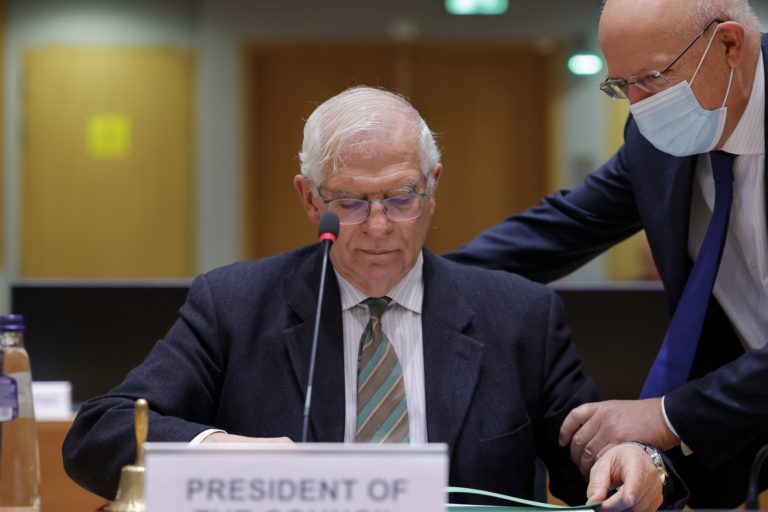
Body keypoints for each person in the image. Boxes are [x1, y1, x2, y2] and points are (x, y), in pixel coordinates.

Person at [63, 86, 682, 510]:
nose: (380, 226)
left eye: (401, 197)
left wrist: (637, 464)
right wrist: (220, 451)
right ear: (309, 199)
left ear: (433, 187)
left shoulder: (518, 315)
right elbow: (99, 434)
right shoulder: (235, 306)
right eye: (350, 202)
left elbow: (597, 466)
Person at [445, 0, 767, 508]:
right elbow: (564, 226)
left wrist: (665, 415)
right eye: (621, 86)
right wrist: (414, 276)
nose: (638, 106)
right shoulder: (656, 138)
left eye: (653, 79)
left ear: (729, 45)